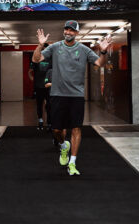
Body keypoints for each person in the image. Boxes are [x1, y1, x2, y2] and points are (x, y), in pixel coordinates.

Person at [32, 21, 111, 176]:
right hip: (57, 95)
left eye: (71, 30)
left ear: (76, 33)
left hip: (76, 96)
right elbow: (36, 59)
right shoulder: (55, 47)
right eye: (66, 29)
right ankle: (63, 146)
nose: (68, 32)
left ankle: (72, 162)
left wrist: (103, 52)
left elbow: (99, 63)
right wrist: (40, 45)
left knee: (76, 128)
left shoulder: (83, 50)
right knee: (56, 129)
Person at [29, 44, 52, 130]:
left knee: (49, 105)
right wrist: (33, 80)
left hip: (48, 86)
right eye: (44, 49)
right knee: (39, 104)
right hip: (38, 86)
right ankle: (40, 120)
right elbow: (30, 71)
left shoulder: (51, 59)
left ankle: (49, 122)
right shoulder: (36, 58)